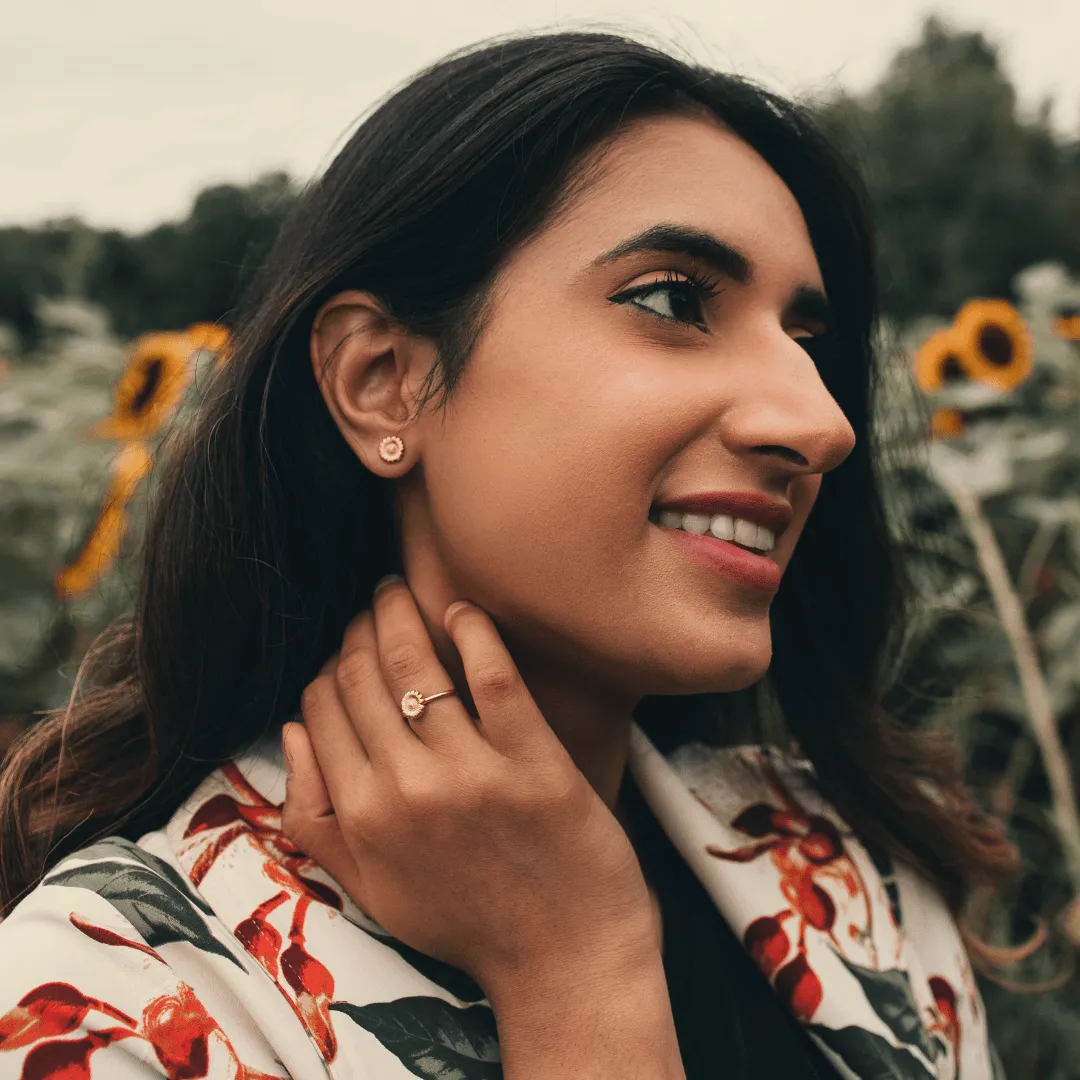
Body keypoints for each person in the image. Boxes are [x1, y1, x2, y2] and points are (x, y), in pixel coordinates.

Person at [0, 30, 1016, 1080]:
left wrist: (577, 954)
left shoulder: (857, 886)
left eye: (807, 343)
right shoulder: (104, 1010)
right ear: (381, 379)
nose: (821, 423)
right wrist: (578, 973)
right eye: (673, 299)